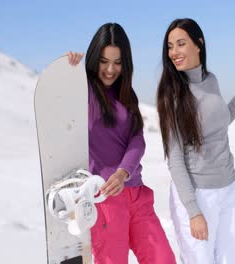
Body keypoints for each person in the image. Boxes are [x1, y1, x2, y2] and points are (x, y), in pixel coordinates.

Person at [66, 23, 175, 264]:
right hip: (104, 197)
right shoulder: (83, 90)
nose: (110, 69)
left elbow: (137, 139)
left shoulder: (126, 93)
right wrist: (69, 70)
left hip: (136, 192)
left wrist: (123, 172)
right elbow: (58, 100)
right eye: (104, 61)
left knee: (163, 259)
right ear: (95, 58)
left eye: (117, 62)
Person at [156, 18, 235, 264]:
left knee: (234, 259)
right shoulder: (172, 95)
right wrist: (193, 210)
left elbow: (220, 122)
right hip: (198, 194)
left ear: (199, 44)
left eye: (180, 44)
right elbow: (175, 159)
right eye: (170, 46)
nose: (174, 52)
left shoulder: (211, 81)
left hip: (229, 187)